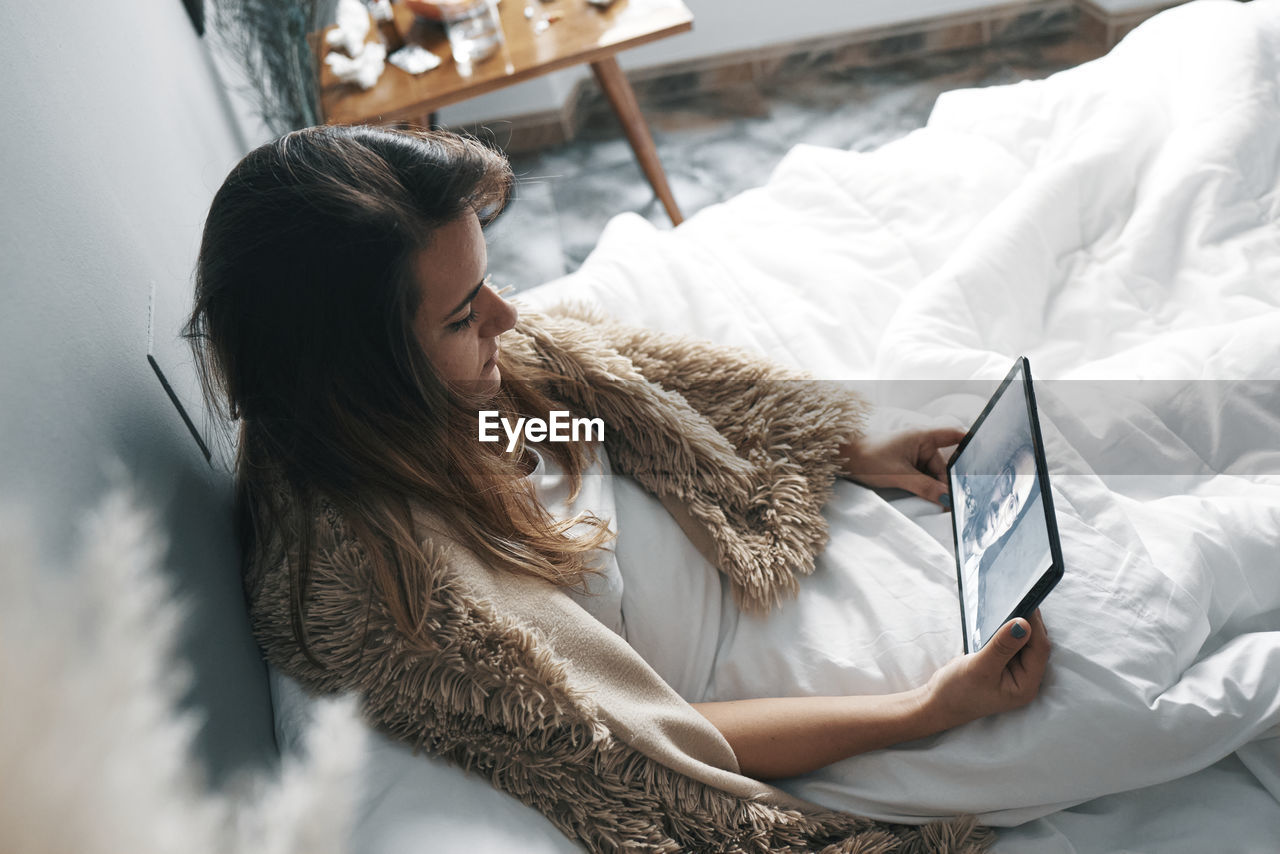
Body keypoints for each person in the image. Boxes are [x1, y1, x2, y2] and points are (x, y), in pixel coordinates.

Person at [186, 124, 1049, 852]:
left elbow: (606, 405)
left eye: (488, 282)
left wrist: (835, 445)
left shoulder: (463, 408)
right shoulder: (408, 599)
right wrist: (930, 709)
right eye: (461, 316)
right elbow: (654, 745)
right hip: (778, 669)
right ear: (359, 374)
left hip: (757, 539)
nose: (507, 318)